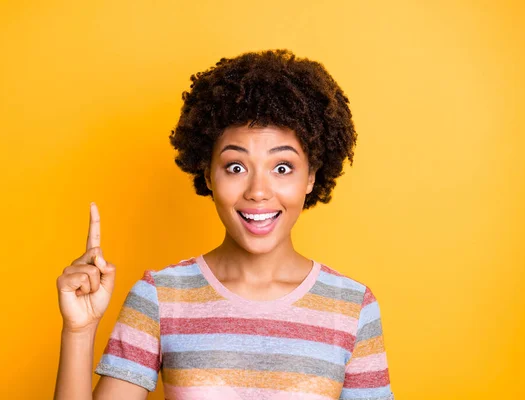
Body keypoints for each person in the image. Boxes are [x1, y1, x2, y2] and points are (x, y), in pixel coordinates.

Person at [55, 49, 394, 400]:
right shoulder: (161, 296)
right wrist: (79, 331)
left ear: (311, 176)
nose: (258, 192)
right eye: (236, 167)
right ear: (208, 174)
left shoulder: (352, 307)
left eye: (282, 168)